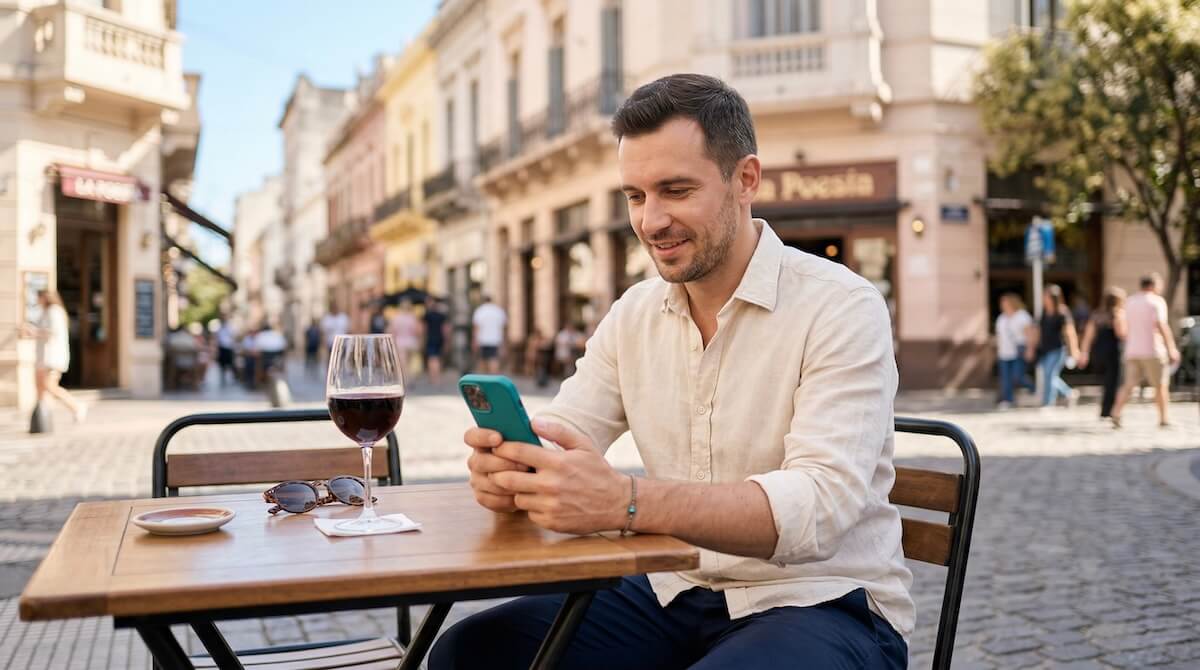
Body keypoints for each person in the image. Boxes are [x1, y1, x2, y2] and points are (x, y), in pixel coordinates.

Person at [431, 73, 909, 669]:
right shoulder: (635, 312)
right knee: (469, 652)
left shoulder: (841, 305)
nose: (651, 221)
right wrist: (517, 470)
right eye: (635, 196)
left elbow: (818, 508)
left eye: (676, 190)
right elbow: (566, 427)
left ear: (746, 180)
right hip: (671, 589)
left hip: (820, 601)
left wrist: (627, 502)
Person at [1109, 274, 1180, 428]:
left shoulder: (1129, 302)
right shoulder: (1156, 302)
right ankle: (1163, 419)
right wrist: (1171, 348)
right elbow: (1161, 325)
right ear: (1153, 285)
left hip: (1132, 350)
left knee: (1128, 385)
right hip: (1153, 350)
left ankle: (1116, 413)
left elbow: (1123, 328)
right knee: (1160, 386)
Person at [19, 290, 86, 422]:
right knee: (40, 387)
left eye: (39, 298)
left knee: (50, 386)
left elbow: (51, 332)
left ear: (45, 298)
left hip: (52, 358)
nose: (37, 301)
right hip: (42, 357)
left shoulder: (54, 311)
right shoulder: (45, 312)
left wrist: (34, 331)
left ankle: (76, 406)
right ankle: (41, 417)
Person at [1027, 284, 1081, 409]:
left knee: (1049, 374)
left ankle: (1048, 403)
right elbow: (1039, 332)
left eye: (1046, 296)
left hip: (1058, 349)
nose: (1043, 298)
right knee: (1050, 375)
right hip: (1045, 349)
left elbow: (1070, 332)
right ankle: (1069, 393)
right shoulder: (1044, 314)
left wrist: (1074, 350)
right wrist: (1032, 347)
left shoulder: (1062, 313)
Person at [1078, 287, 1127, 418]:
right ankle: (1110, 410)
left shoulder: (1097, 314)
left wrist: (1084, 353)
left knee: (1107, 381)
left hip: (1099, 351)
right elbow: (1121, 333)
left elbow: (1088, 336)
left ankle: (1106, 409)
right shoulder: (1117, 313)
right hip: (1114, 351)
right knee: (1114, 381)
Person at [995, 292, 1035, 409]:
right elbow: (999, 336)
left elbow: (1029, 334)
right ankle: (1007, 400)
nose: (1003, 305)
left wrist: (1030, 349)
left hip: (1019, 350)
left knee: (1017, 376)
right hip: (1004, 352)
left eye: (1005, 302)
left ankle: (1033, 388)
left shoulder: (1022, 316)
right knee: (1005, 378)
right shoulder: (1001, 318)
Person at [471, 295, 507, 374]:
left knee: (482, 361)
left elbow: (476, 328)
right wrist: (504, 343)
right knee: (494, 360)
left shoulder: (479, 311)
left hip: (482, 340)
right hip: (496, 339)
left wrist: (474, 341)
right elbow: (503, 328)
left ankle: (484, 380)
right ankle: (494, 379)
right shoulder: (499, 311)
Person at [421, 297, 450, 385]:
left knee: (432, 359)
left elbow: (424, 329)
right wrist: (447, 340)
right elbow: (445, 329)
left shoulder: (427, 315)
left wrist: (422, 340)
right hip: (440, 338)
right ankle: (437, 377)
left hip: (430, 338)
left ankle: (433, 378)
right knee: (438, 358)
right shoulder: (442, 315)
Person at [389, 301, 421, 375]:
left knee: (402, 363)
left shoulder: (396, 318)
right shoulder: (412, 318)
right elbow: (417, 331)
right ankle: (408, 378)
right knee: (409, 363)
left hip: (400, 341)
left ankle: (404, 379)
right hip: (411, 341)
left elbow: (393, 331)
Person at [216, 319, 236, 386]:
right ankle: (223, 377)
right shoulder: (220, 329)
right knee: (223, 365)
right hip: (222, 348)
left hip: (228, 348)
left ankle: (232, 378)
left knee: (230, 364)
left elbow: (232, 337)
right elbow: (218, 339)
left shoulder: (229, 328)